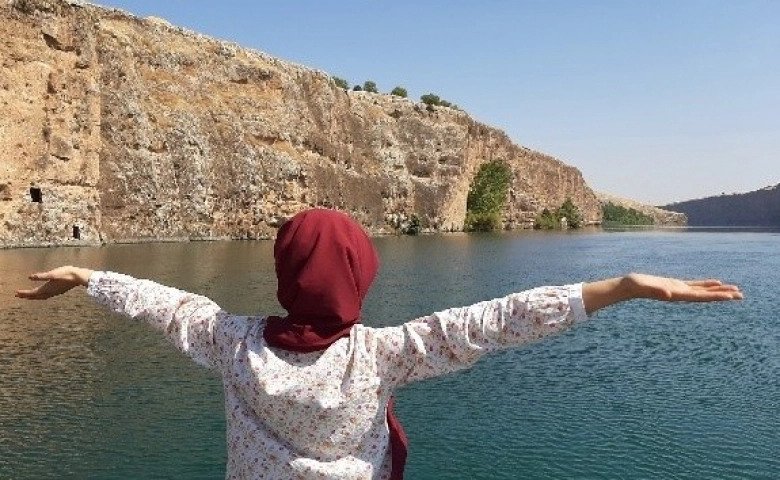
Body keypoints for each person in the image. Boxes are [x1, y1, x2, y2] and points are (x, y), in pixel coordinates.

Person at [15, 208, 743, 480]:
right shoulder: (384, 352)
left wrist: (85, 274)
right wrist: (618, 287)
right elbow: (495, 321)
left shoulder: (230, 342)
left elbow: (163, 305)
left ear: (283, 276)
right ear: (362, 277)